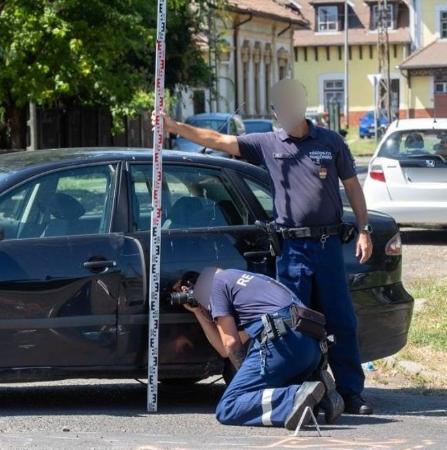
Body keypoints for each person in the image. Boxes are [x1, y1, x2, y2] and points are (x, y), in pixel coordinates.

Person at [158, 79, 374, 415]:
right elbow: (217, 140)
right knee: (291, 323)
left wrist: (364, 230)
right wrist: (174, 126)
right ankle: (305, 389)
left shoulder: (330, 142)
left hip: (328, 244)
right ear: (275, 112)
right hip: (291, 249)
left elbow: (353, 187)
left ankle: (352, 393)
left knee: (342, 321)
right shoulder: (266, 143)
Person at [176, 267, 342, 428]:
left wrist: (244, 386)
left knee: (229, 406)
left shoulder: (216, 284)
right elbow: (226, 346)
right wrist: (198, 312)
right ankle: (322, 396)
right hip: (310, 346)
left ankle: (294, 396)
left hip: (283, 342)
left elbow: (230, 344)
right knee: (269, 394)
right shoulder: (246, 281)